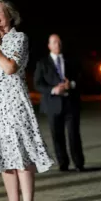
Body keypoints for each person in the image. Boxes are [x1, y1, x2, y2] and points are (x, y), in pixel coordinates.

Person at [0, 0, 54, 201]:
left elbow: (10, 68)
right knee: (4, 158)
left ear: (9, 15)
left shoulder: (20, 38)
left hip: (15, 106)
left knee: (21, 156)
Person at [34, 34, 85, 172]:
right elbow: (37, 84)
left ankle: (79, 163)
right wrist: (53, 90)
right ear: (49, 45)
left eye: (59, 42)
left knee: (74, 134)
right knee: (57, 136)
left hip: (71, 103)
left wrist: (72, 84)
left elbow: (81, 77)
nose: (58, 45)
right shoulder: (42, 63)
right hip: (53, 104)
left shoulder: (71, 60)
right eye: (55, 42)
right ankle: (63, 164)